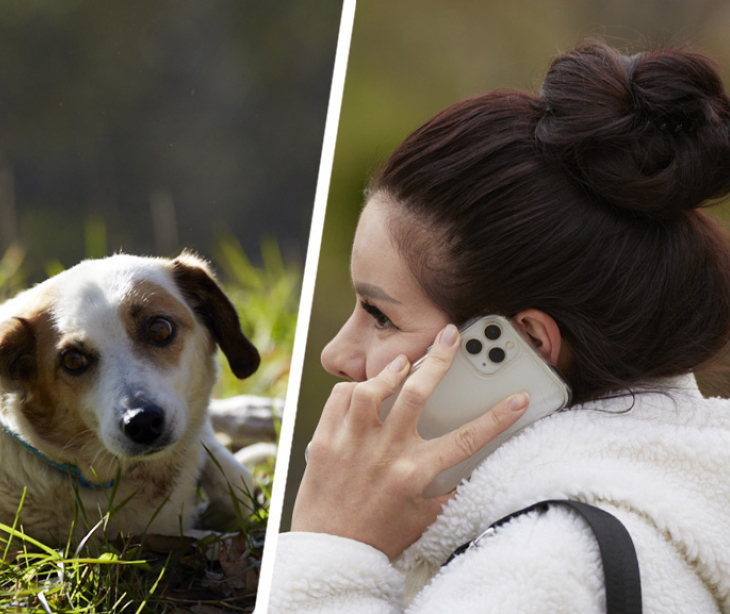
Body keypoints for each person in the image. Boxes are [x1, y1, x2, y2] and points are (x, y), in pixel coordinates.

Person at [269, 41, 730, 613]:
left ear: (527, 347)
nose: (335, 355)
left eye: (381, 315)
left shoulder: (542, 572)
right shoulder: (667, 511)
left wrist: (328, 552)